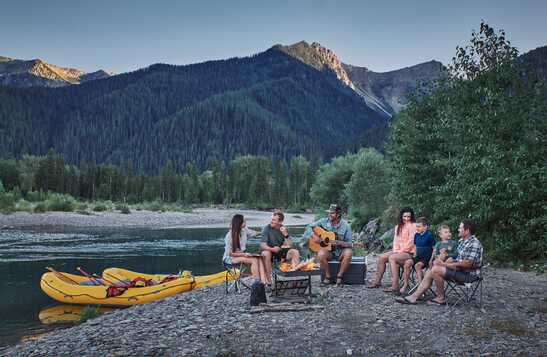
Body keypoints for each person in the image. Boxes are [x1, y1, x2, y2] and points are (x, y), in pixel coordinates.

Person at [396, 219, 483, 305]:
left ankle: (439, 298)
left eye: (460, 228)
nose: (458, 230)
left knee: (436, 269)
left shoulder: (474, 243)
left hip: (468, 275)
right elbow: (458, 258)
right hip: (459, 270)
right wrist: (447, 258)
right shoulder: (462, 241)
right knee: (432, 269)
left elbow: (468, 264)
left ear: (467, 230)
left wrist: (445, 264)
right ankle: (416, 296)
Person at [303, 204, 353, 286]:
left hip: (340, 251)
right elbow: (308, 226)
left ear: (338, 214)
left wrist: (340, 243)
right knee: (320, 254)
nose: (329, 215)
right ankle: (328, 276)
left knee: (349, 253)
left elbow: (350, 243)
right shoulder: (323, 221)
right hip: (328, 251)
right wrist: (313, 236)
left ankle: (339, 276)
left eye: (332, 213)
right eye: (329, 213)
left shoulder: (346, 226)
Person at [367, 208, 416, 291]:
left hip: (409, 252)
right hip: (398, 251)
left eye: (409, 217)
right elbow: (395, 241)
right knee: (382, 257)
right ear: (401, 216)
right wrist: (396, 251)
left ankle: (395, 285)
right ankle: (377, 282)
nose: (407, 219)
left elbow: (411, 242)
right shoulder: (398, 227)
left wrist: (399, 252)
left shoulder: (413, 226)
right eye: (405, 216)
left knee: (392, 257)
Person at [222, 214, 268, 284]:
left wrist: (264, 231)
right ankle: (257, 283)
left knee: (259, 258)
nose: (245, 222)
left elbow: (254, 233)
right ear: (239, 223)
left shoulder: (244, 230)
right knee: (254, 260)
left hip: (241, 255)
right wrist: (244, 254)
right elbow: (230, 253)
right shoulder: (229, 236)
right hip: (229, 258)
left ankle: (264, 282)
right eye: (244, 221)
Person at [260, 211, 300, 285]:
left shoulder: (283, 228)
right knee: (265, 253)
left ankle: (295, 278)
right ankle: (269, 281)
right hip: (270, 251)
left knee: (295, 252)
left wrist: (286, 235)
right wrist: (272, 249)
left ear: (280, 222)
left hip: (280, 252)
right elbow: (262, 245)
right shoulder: (267, 228)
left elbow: (290, 245)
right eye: (272, 219)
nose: (271, 221)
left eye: (274, 220)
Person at [399, 217, 436, 294]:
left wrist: (431, 260)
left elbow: (434, 248)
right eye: (416, 227)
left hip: (427, 257)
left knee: (417, 266)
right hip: (418, 256)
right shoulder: (416, 235)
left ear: (425, 227)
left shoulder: (429, 235)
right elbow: (416, 247)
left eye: (419, 227)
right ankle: (405, 285)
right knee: (407, 263)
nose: (417, 228)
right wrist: (414, 258)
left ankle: (421, 287)